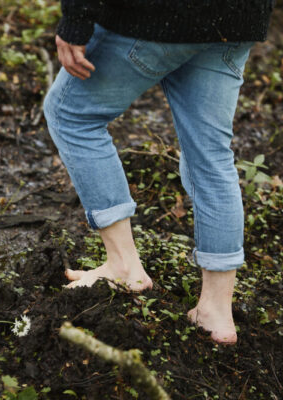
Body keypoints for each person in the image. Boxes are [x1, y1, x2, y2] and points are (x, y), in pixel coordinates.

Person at [43, 1, 274, 344]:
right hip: (235, 18)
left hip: (155, 16)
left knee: (71, 115)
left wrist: (76, 21)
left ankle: (124, 265)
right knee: (211, 155)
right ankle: (216, 310)